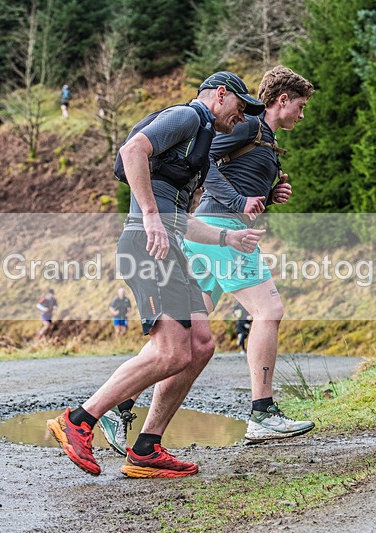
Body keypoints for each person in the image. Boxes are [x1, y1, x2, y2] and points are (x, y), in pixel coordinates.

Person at [47, 71, 266, 478]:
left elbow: (180, 219)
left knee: (199, 346)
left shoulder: (200, 142)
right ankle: (79, 420)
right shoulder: (189, 116)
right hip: (146, 245)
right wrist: (149, 215)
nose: (243, 117)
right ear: (220, 95)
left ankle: (147, 447)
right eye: (241, 107)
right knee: (171, 352)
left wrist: (226, 239)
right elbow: (132, 150)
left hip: (170, 245)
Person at [182, 66, 316, 443]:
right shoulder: (247, 125)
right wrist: (240, 200)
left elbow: (234, 174)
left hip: (211, 231)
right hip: (222, 230)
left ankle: (120, 403)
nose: (302, 115)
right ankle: (263, 413)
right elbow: (202, 161)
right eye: (300, 106)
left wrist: (269, 196)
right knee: (269, 311)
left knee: (186, 334)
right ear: (282, 99)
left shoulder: (264, 136)